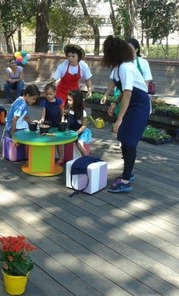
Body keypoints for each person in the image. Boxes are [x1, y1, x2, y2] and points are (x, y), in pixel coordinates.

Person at [102, 35, 151, 193]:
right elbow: (124, 91)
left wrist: (119, 119)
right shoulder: (118, 67)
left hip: (139, 105)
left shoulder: (125, 67)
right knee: (123, 138)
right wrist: (115, 102)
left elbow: (129, 93)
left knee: (129, 142)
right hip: (130, 103)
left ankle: (125, 181)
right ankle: (127, 173)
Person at [100, 38, 153, 118]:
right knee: (121, 126)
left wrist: (119, 120)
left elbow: (130, 91)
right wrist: (113, 99)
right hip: (123, 96)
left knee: (127, 125)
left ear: (136, 49)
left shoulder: (127, 66)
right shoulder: (118, 66)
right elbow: (114, 82)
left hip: (137, 102)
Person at [39, 82, 64, 164]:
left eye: (50, 94)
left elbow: (61, 110)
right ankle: (48, 157)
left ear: (55, 93)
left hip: (57, 123)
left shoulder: (58, 101)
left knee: (59, 141)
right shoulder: (44, 102)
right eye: (47, 94)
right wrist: (42, 119)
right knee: (47, 140)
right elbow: (43, 112)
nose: (48, 96)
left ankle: (60, 158)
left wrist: (63, 118)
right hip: (48, 125)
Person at [65, 90, 91, 157]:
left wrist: (77, 133)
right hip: (71, 130)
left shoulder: (82, 112)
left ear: (77, 101)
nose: (68, 102)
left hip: (80, 131)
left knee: (79, 144)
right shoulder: (70, 108)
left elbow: (84, 125)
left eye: (70, 100)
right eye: (68, 100)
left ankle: (85, 157)